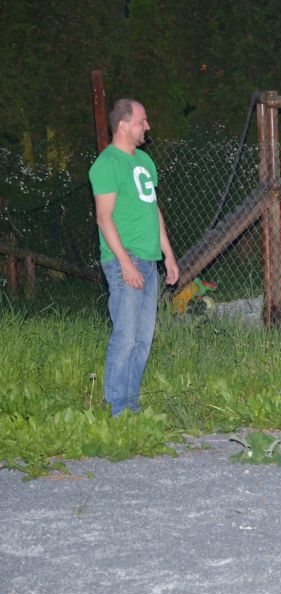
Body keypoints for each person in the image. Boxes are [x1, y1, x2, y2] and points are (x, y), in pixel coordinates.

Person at [89, 98, 179, 416]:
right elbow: (104, 218)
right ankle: (116, 409)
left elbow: (153, 210)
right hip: (123, 260)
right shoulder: (106, 165)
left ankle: (131, 404)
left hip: (149, 260)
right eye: (142, 121)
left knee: (143, 339)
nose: (147, 126)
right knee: (126, 337)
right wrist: (125, 263)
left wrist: (168, 255)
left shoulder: (145, 161)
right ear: (124, 125)